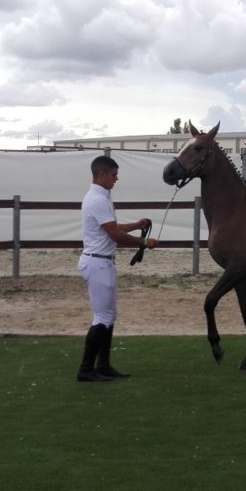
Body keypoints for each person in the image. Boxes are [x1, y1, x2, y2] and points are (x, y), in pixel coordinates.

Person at [77, 155, 159, 382]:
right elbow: (114, 234)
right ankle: (86, 369)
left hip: (102, 261)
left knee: (109, 316)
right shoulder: (97, 200)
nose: (116, 179)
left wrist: (136, 225)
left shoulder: (99, 197)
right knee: (103, 316)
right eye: (114, 175)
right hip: (98, 263)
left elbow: (112, 227)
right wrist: (144, 242)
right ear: (102, 175)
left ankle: (102, 365)